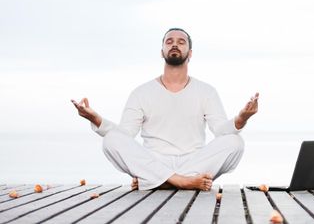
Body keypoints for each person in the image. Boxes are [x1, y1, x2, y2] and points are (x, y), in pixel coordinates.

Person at [71, 28, 259, 191]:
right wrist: (95, 119)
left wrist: (242, 118)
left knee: (235, 142)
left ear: (190, 53)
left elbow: (220, 131)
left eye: (181, 42)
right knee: (111, 140)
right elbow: (125, 134)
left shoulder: (207, 91)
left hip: (193, 162)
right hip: (154, 160)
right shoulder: (141, 92)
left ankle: (159, 181)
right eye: (169, 42)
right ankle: (179, 181)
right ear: (162, 52)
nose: (174, 45)